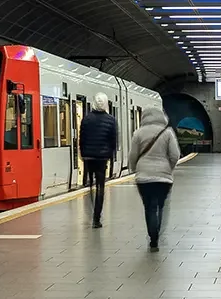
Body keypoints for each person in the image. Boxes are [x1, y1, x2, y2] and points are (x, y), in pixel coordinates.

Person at [128, 106, 181, 251]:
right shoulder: (167, 132)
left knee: (149, 207)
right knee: (160, 206)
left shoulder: (138, 133)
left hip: (143, 178)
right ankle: (157, 232)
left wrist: (135, 169)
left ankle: (153, 238)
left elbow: (132, 155)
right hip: (164, 178)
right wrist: (168, 168)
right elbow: (175, 155)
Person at [77, 97, 118, 227]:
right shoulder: (111, 120)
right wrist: (110, 154)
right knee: (100, 186)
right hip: (102, 158)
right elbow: (113, 140)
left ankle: (90, 209)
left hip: (89, 157)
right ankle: (96, 218)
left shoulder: (86, 119)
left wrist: (83, 154)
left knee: (90, 184)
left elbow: (82, 138)